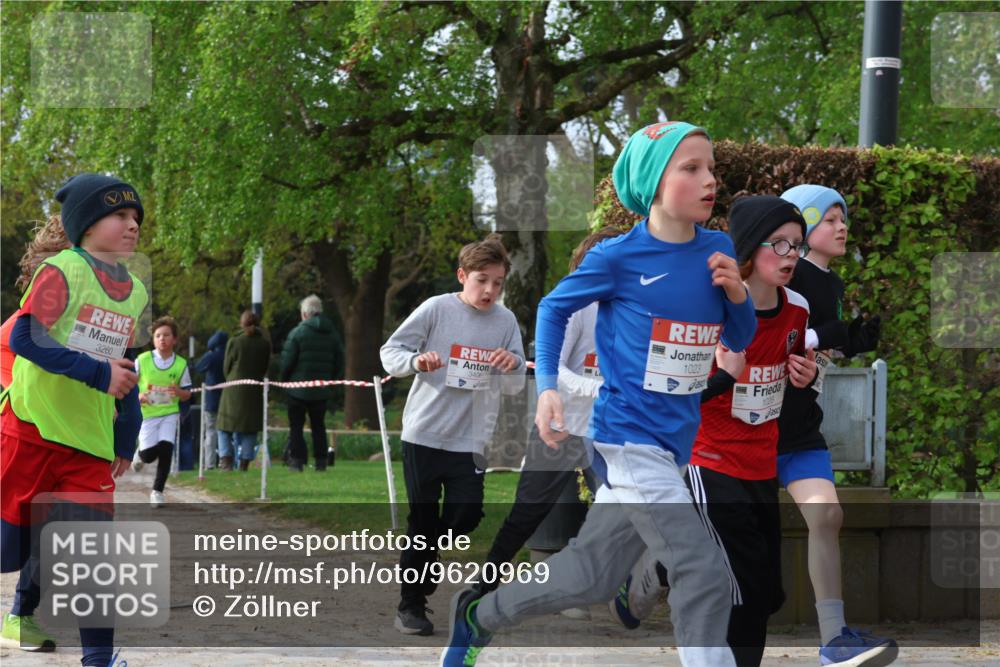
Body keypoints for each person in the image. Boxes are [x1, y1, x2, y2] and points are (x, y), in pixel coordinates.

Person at [441, 121, 757, 667]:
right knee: (701, 569)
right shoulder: (617, 257)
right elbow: (553, 309)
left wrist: (737, 296)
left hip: (674, 445)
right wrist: (548, 389)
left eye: (711, 167)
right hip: (629, 441)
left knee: (590, 575)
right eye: (691, 168)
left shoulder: (717, 248)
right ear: (653, 183)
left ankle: (479, 615)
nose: (710, 179)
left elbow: (739, 337)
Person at [610, 195, 816, 666]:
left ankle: (662, 562)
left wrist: (806, 376)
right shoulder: (704, 309)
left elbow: (787, 375)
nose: (791, 256)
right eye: (779, 244)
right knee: (742, 589)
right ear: (749, 247)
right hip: (707, 461)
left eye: (798, 245)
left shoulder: (797, 310)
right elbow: (662, 394)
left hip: (760, 463)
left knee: (768, 593)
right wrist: (723, 376)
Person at [0, 173, 148, 666]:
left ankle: (99, 659)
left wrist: (126, 432)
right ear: (85, 225)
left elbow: (124, 365)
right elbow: (25, 338)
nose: (132, 225)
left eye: (136, 217)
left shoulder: (135, 291)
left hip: (88, 444)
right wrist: (97, 373)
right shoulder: (63, 270)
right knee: (10, 551)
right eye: (119, 215)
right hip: (31, 431)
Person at [380, 233, 525, 636]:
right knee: (422, 519)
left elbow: (517, 379)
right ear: (462, 276)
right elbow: (390, 351)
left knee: (466, 514)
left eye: (498, 283)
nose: (490, 290)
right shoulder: (436, 308)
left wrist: (512, 362)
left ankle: (426, 552)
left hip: (471, 438)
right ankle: (411, 606)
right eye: (482, 280)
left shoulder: (505, 321)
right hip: (425, 433)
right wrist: (416, 361)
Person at [778, 184, 895, 666]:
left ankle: (833, 640)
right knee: (720, 529)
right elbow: (786, 335)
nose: (842, 227)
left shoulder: (831, 283)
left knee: (827, 516)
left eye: (842, 218)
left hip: (801, 427)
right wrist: (823, 336)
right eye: (829, 219)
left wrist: (849, 342)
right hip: (751, 429)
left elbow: (816, 348)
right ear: (801, 228)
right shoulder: (787, 273)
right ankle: (646, 577)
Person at [473, 228, 622, 599]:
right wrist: (599, 388)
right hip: (562, 425)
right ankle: (483, 586)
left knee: (628, 508)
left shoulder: (635, 307)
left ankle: (623, 589)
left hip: (611, 429)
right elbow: (552, 367)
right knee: (528, 511)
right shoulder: (574, 305)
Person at [280, 294, 344, 472]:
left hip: (297, 389)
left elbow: (287, 361)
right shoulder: (332, 334)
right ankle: (321, 461)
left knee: (296, 427)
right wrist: (330, 381)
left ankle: (297, 461)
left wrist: (284, 381)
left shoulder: (297, 333)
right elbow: (340, 360)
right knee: (318, 426)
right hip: (321, 389)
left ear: (305, 314)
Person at [133, 315, 192, 506]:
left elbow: (188, 394)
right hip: (147, 414)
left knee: (167, 449)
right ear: (153, 339)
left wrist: (178, 392)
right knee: (148, 455)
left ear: (174, 339)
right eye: (158, 335)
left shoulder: (181, 364)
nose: (162, 339)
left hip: (169, 413)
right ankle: (139, 453)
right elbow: (129, 385)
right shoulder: (142, 360)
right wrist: (138, 396)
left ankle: (157, 492)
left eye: (166, 335)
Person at [216, 310, 271, 471]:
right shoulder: (264, 344)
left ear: (241, 323)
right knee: (250, 428)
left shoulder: (235, 341)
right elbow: (265, 367)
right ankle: (244, 464)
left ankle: (226, 461)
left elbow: (226, 367)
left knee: (224, 426)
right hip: (254, 390)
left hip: (233, 389)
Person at [194, 329, 229, 469]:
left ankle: (209, 463)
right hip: (228, 399)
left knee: (210, 431)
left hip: (212, 399)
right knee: (226, 431)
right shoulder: (229, 355)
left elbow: (198, 367)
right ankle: (227, 461)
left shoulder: (212, 356)